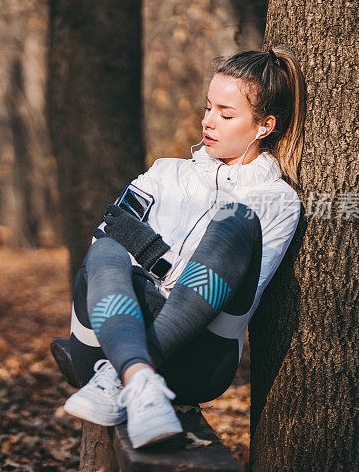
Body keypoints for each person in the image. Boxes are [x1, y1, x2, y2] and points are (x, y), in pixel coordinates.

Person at [61, 46, 306, 449]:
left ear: (264, 126)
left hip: (197, 360)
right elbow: (103, 242)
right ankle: (138, 378)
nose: (207, 122)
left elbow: (237, 292)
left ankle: (136, 373)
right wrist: (177, 274)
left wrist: (148, 259)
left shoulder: (276, 201)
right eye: (208, 107)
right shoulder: (164, 174)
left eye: (226, 115)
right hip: (103, 346)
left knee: (235, 223)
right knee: (105, 250)